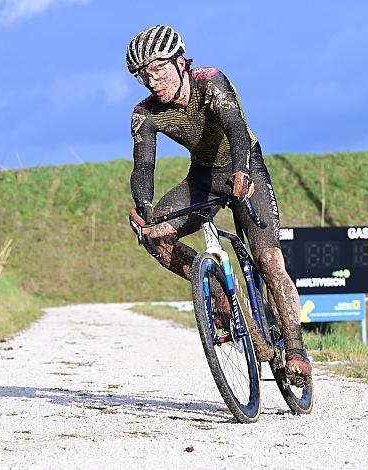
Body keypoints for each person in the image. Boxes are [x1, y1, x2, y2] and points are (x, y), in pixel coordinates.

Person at [126, 25, 312, 381]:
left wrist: (242, 171)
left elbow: (235, 127)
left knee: (269, 261)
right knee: (154, 235)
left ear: (180, 62)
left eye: (158, 70)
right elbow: (144, 165)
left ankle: (296, 350)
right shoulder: (144, 113)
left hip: (246, 165)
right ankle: (214, 289)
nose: (151, 81)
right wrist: (145, 207)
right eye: (143, 75)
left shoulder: (209, 81)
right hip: (204, 177)